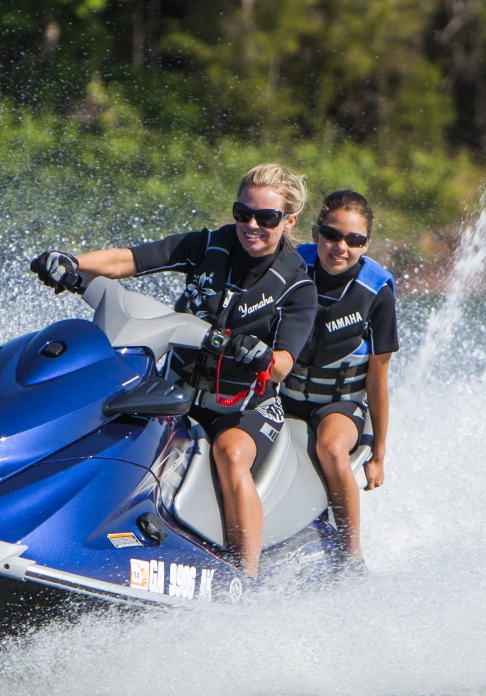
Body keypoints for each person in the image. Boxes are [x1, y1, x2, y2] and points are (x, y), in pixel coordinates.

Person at [29, 163, 317, 577]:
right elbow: (131, 260)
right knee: (108, 416)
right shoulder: (209, 245)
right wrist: (72, 261)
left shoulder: (298, 287)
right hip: (176, 389)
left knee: (231, 454)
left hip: (242, 403)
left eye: (266, 218)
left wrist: (262, 356)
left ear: (288, 221)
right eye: (243, 213)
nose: (251, 225)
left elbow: (283, 365)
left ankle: (246, 577)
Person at [280, 189, 397, 565]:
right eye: (332, 235)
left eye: (354, 240)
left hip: (338, 404)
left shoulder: (376, 290)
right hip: (281, 396)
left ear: (366, 244)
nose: (340, 247)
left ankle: (350, 558)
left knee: (330, 449)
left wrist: (378, 454)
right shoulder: (289, 266)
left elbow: (378, 380)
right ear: (315, 233)